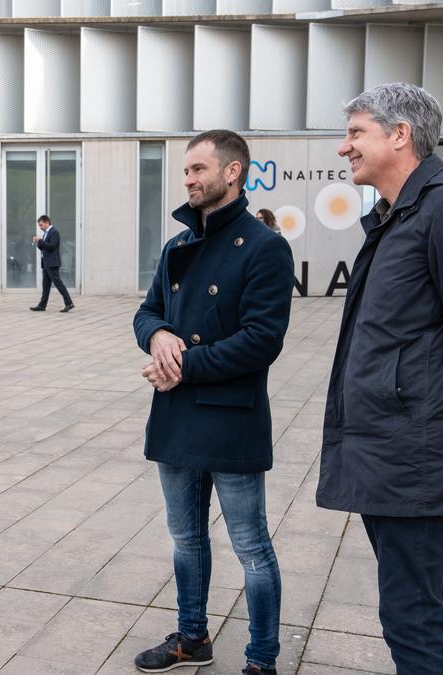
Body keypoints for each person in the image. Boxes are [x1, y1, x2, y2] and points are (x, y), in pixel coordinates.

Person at [316, 83, 443, 674]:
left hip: (416, 451)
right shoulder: (399, 212)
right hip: (393, 444)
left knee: (410, 611)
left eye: (356, 133)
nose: (344, 147)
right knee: (415, 605)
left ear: (399, 135)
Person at [133, 129, 295, 675]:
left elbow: (262, 340)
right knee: (185, 540)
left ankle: (262, 659)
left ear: (232, 172)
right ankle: (192, 637)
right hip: (177, 419)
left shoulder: (266, 247)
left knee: (251, 547)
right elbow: (147, 310)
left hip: (230, 419)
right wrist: (156, 336)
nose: (188, 179)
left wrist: (183, 367)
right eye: (186, 171)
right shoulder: (178, 246)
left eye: (199, 169)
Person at [29, 214, 75, 312]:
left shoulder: (54, 232)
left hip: (52, 263)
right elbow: (45, 247)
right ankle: (42, 305)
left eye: (41, 225)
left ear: (47, 223)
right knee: (45, 285)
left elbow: (52, 246)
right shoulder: (46, 233)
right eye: (39, 226)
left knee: (58, 283)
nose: (40, 227)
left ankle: (69, 303)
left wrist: (40, 240)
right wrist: (38, 243)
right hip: (46, 263)